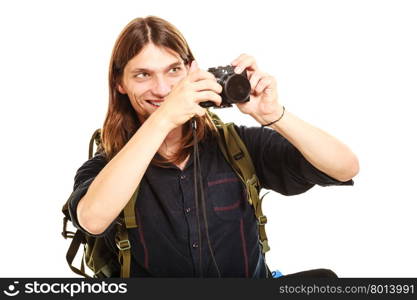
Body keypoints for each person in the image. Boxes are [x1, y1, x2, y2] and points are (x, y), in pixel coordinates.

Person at [67, 16, 359, 278]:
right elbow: (92, 219)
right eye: (143, 75)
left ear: (192, 70)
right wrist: (165, 118)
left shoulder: (237, 147)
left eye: (173, 70)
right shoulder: (109, 164)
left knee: (325, 282)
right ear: (120, 83)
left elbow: (345, 166)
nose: (162, 88)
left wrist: (274, 116)